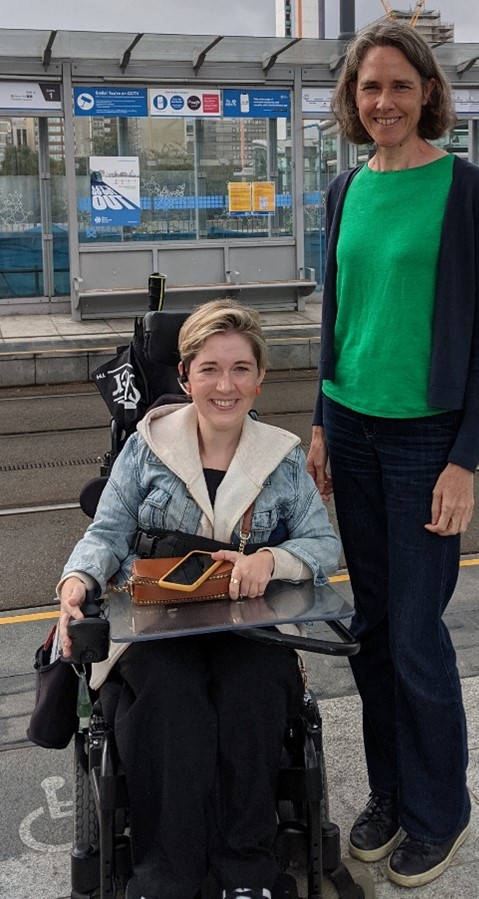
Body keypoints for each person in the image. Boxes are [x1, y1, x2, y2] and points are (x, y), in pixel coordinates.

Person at [306, 21, 479, 890]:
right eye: (367, 89)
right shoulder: (344, 190)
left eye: (398, 86)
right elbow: (336, 320)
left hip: (427, 438)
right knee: (374, 630)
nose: (382, 102)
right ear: (352, 102)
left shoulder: (467, 190)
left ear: (428, 93)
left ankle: (440, 811)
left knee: (419, 634)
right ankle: (388, 792)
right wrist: (319, 420)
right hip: (351, 428)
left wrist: (463, 459)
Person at [58, 298, 341, 899]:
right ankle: (168, 872)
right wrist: (76, 582)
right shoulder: (148, 446)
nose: (225, 384)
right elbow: (106, 534)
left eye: (240, 369)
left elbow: (323, 544)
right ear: (185, 376)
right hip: (159, 628)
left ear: (260, 378)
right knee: (170, 698)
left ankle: (247, 871)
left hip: (251, 628)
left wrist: (272, 559)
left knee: (254, 691)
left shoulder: (282, 459)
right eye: (209, 368)